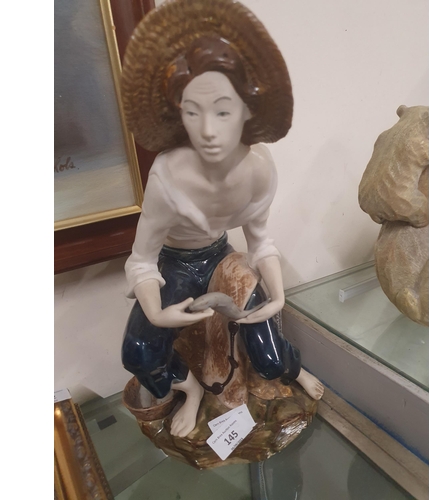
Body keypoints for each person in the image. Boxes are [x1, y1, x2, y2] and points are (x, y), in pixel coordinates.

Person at [120, 1, 324, 438]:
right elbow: (142, 259)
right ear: (179, 112)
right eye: (193, 112)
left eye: (223, 111)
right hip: (174, 264)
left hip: (221, 256)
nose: (208, 131)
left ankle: (293, 370)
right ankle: (190, 389)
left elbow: (260, 240)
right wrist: (155, 312)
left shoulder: (259, 170)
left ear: (248, 110)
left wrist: (278, 295)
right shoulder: (168, 176)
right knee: (138, 353)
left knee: (268, 356)